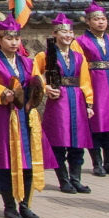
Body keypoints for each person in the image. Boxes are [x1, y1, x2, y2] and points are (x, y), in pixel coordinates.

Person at [0, 16, 47, 218]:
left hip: (26, 115)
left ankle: (25, 204)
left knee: (28, 161)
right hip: (3, 115)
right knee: (6, 161)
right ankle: (9, 205)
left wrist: (35, 95)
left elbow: (36, 83)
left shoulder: (27, 62)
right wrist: (3, 93)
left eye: (17, 38)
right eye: (9, 38)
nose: (14, 42)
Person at [39, 12, 95, 194]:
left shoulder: (79, 57)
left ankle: (76, 178)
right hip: (58, 101)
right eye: (63, 32)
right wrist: (47, 88)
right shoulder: (44, 55)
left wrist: (89, 103)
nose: (68, 36)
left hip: (76, 99)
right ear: (54, 34)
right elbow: (35, 77)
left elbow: (85, 81)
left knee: (77, 142)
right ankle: (63, 179)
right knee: (59, 141)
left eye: (70, 32)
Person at [75, 4, 109, 177]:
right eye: (96, 19)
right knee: (95, 125)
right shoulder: (80, 42)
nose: (100, 23)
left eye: (103, 19)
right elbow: (79, 66)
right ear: (88, 21)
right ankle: (97, 163)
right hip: (94, 86)